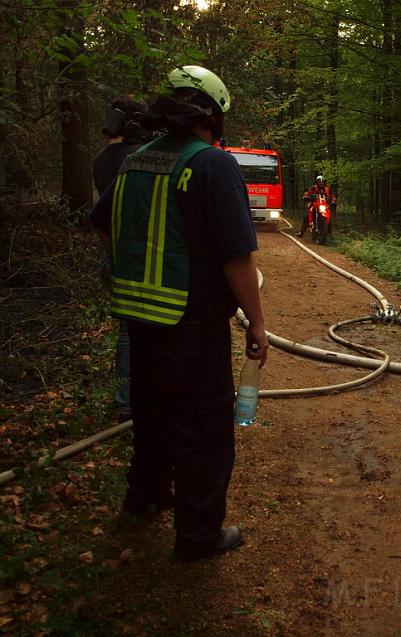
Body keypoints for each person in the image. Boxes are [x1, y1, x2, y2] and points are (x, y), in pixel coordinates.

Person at [90, 65, 269, 561]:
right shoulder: (212, 165)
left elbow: (102, 222)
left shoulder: (135, 161)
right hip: (191, 321)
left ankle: (144, 498)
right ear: (212, 115)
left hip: (138, 316)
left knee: (151, 413)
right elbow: (237, 258)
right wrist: (256, 322)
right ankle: (198, 536)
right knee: (204, 429)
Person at [92, 96, 149, 422]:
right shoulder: (135, 157)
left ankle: (127, 399)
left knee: (127, 332)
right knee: (135, 334)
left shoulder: (101, 158)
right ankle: (129, 402)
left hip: (112, 254)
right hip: (136, 258)